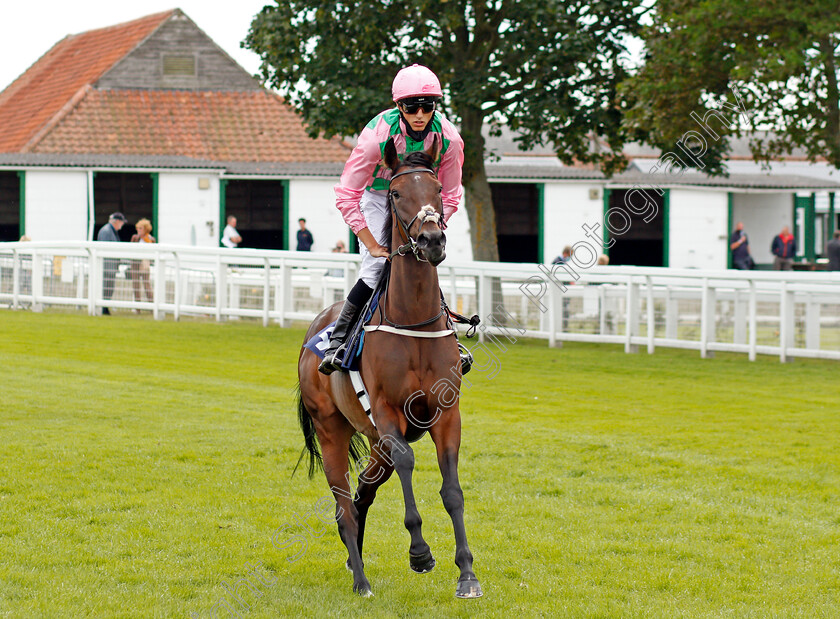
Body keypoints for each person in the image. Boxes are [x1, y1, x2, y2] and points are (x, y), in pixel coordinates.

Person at [319, 64, 465, 375]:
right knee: (376, 267)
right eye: (412, 107)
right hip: (375, 195)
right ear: (399, 106)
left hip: (418, 199)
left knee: (427, 257)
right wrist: (371, 244)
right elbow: (346, 194)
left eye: (428, 107)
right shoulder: (376, 138)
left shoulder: (450, 139)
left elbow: (451, 195)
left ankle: (449, 335)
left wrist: (434, 226)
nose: (421, 114)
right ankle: (338, 341)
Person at [97, 212, 126, 315]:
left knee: (109, 287)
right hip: (107, 266)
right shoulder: (107, 231)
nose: (122, 224)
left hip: (110, 266)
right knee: (106, 287)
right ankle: (103, 308)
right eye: (122, 222)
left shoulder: (111, 231)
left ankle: (105, 307)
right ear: (117, 221)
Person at [130, 218, 156, 307]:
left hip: (145, 263)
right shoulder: (135, 238)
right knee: (136, 285)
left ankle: (152, 305)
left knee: (146, 284)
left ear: (146, 229)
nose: (138, 230)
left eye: (141, 228)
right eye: (138, 228)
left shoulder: (150, 239)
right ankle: (137, 307)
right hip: (135, 264)